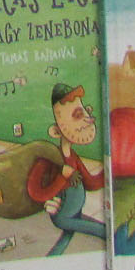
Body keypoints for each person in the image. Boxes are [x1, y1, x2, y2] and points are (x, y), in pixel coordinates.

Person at [26, 83, 106, 256]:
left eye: (84, 113)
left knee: (66, 238)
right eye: (76, 116)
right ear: (56, 131)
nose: (86, 120)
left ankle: (50, 261)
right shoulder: (50, 158)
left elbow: (90, 183)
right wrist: (62, 177)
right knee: (103, 231)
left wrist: (108, 172)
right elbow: (35, 192)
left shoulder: (73, 156)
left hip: (75, 211)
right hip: (63, 216)